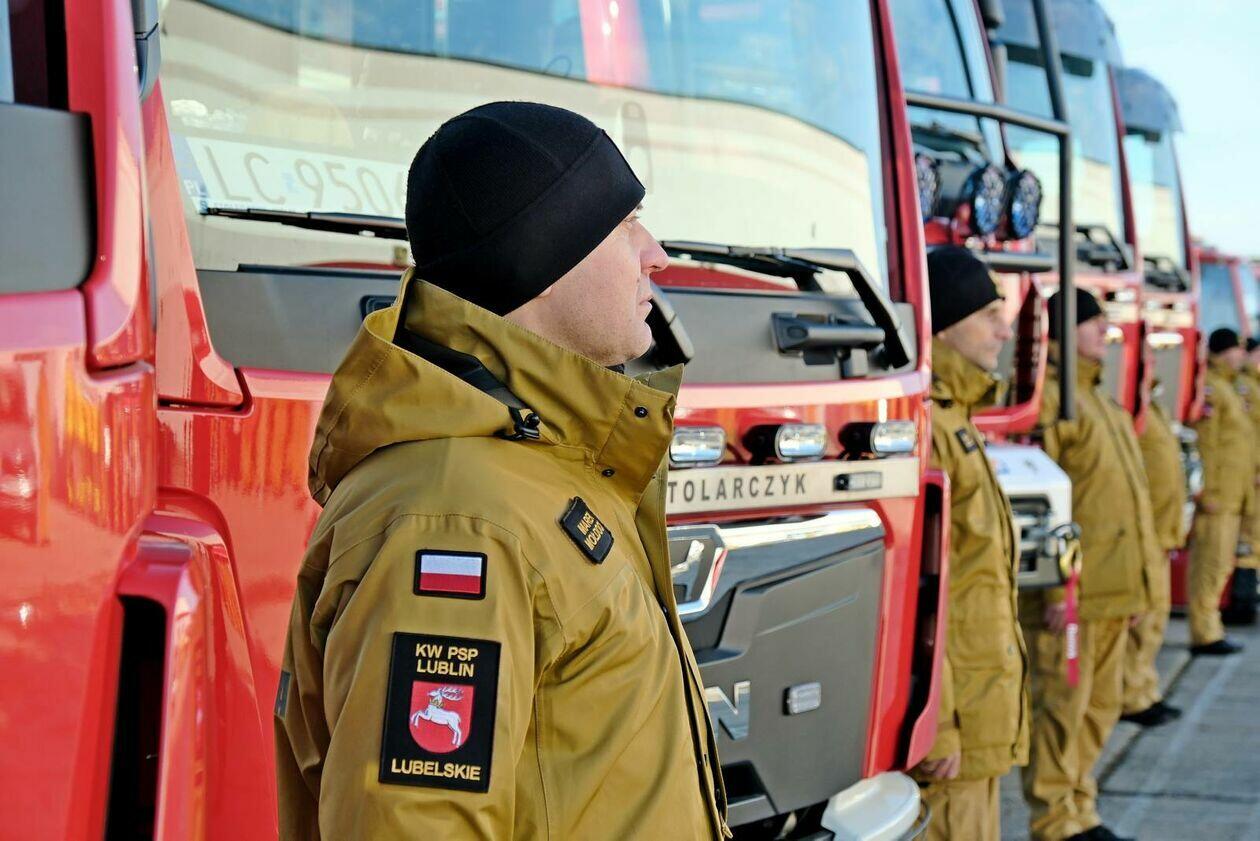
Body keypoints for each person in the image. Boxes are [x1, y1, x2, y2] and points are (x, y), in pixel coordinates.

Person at [273, 101, 730, 839]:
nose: (657, 254)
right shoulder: (457, 519)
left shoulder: (545, 466)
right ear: (541, 261)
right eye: (625, 224)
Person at [1020, 288, 1160, 841]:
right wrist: (1057, 590)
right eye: (1092, 323)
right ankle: (1055, 821)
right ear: (1061, 332)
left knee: (1101, 707)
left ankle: (1081, 808)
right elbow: (1042, 507)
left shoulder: (1100, 401)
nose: (1105, 332)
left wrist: (1140, 586)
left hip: (1114, 590)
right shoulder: (1055, 404)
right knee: (1062, 709)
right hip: (1075, 599)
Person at [914, 247, 1029, 841]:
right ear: (944, 325)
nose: (1004, 330)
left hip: (980, 709)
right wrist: (939, 723)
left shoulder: (958, 421)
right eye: (988, 315)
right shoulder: (933, 429)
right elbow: (919, 593)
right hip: (954, 728)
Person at [1121, 370, 1186, 727]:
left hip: (1160, 530)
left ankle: (1146, 690)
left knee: (1156, 619)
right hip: (1145, 532)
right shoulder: (1128, 402)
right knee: (1143, 624)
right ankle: (1133, 696)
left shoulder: (1150, 404)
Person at [1187, 328, 1252, 654]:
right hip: (1219, 496)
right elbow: (1207, 444)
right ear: (1225, 351)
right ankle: (1204, 632)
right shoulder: (1213, 387)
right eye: (1237, 349)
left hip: (1233, 494)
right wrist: (1208, 492)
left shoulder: (1229, 386)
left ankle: (1212, 627)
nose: (1242, 355)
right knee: (1209, 565)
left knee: (1222, 564)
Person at [1223, 336, 1260, 624]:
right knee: (1244, 541)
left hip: (1249, 476)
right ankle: (1240, 601)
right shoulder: (1241, 386)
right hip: (1241, 478)